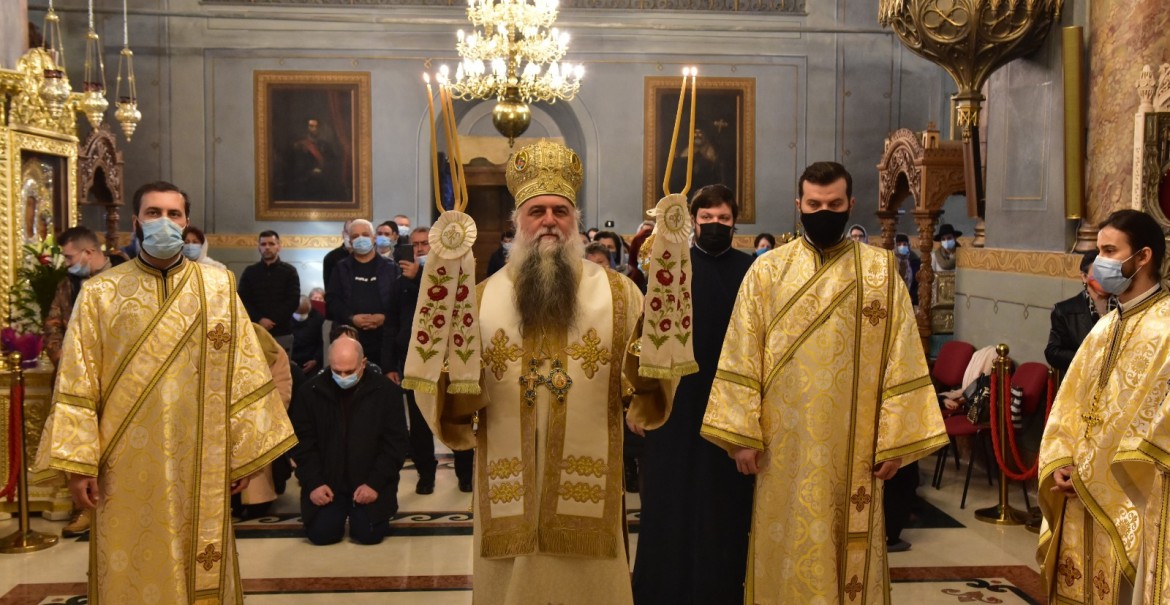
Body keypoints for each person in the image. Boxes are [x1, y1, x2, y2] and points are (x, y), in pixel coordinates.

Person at [409, 140, 670, 604]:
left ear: (575, 222)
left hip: (590, 488)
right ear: (518, 222)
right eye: (537, 211)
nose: (549, 220)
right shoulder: (479, 299)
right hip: (508, 490)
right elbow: (444, 385)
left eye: (560, 211)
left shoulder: (620, 294)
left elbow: (652, 369)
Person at [34, 181, 296, 603]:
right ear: (137, 221)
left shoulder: (218, 286)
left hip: (202, 454)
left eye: (174, 214)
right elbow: (77, 381)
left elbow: (244, 371)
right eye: (153, 213)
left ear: (186, 221)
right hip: (122, 460)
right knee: (131, 560)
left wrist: (242, 452)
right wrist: (79, 463)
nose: (164, 222)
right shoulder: (100, 293)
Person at [701, 162, 947, 603]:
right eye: (814, 204)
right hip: (782, 446)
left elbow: (903, 356)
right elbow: (741, 351)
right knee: (784, 547)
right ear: (799, 205)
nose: (824, 212)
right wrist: (741, 436)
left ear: (851, 204)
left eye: (834, 204)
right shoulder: (767, 271)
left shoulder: (880, 272)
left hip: (856, 445)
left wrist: (894, 440)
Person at [1037, 209, 1170, 605]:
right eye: (1099, 251)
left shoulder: (1166, 327)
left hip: (1135, 495)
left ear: (1143, 257)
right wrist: (1062, 460)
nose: (1099, 262)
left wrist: (1095, 469)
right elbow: (1071, 403)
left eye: (1110, 251)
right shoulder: (1104, 327)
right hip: (1077, 488)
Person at [632, 184, 756, 605]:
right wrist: (642, 399)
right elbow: (646, 337)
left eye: (723, 218)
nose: (715, 225)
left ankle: (720, 588)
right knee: (670, 495)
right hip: (677, 401)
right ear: (694, 222)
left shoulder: (752, 270)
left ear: (734, 222)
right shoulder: (673, 268)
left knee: (723, 501)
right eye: (707, 218)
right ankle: (663, 588)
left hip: (731, 400)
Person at [290, 336, 408, 545]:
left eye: (349, 371)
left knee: (368, 535)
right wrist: (314, 483)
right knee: (321, 535)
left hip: (369, 480)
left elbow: (395, 445)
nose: (343, 377)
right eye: (337, 371)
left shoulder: (386, 392)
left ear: (363, 363)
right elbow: (302, 444)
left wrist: (374, 484)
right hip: (327, 481)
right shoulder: (310, 392)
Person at [43, 226, 121, 538]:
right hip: (76, 377)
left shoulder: (123, 278)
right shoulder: (67, 285)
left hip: (115, 378)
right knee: (79, 440)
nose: (66, 263)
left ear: (88, 252)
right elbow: (52, 324)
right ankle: (83, 508)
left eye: (69, 256)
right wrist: (64, 359)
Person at [391, 226, 441, 494]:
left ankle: (465, 471)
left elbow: (440, 300)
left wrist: (419, 277)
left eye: (425, 244)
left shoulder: (446, 275)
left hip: (442, 359)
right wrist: (389, 364)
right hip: (412, 360)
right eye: (416, 244)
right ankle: (426, 473)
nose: (420, 249)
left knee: (451, 416)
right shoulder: (399, 283)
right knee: (419, 422)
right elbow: (392, 324)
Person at [235, 323, 295, 519]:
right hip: (223, 420)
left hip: (261, 418)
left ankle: (259, 497)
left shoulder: (271, 349)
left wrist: (260, 415)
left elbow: (282, 390)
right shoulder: (216, 342)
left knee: (257, 503)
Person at [325, 219, 401, 374]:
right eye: (355, 236)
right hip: (349, 339)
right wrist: (351, 318)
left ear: (374, 238)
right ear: (350, 241)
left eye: (365, 234)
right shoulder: (340, 268)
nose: (361, 239)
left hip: (384, 342)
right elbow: (332, 300)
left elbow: (400, 302)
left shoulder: (391, 268)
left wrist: (384, 317)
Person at [1044, 250, 1109, 374]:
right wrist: (1088, 359)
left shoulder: (1123, 305)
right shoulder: (1064, 310)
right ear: (1084, 277)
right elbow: (1053, 352)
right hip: (1081, 378)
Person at [238, 230, 302, 348]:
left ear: (279, 246)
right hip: (255, 331)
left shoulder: (289, 271)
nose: (267, 247)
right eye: (263, 244)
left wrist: (272, 320)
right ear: (259, 247)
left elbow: (293, 300)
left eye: (271, 244)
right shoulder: (250, 272)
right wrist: (259, 319)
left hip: (282, 332)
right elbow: (242, 300)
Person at [284, 118, 344, 201]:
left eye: (316, 126)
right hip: (306, 182)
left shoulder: (325, 144)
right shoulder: (299, 145)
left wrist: (323, 169)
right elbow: (296, 166)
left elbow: (332, 161)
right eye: (311, 126)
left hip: (323, 181)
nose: (314, 129)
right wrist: (311, 171)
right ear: (307, 127)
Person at [291, 295, 326, 375]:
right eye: (298, 313)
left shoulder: (318, 320)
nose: (300, 317)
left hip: (311, 360)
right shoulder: (285, 319)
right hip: (290, 360)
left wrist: (315, 360)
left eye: (303, 314)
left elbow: (322, 343)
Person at [322, 219, 353, 288]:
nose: (351, 237)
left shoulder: (367, 256)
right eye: (348, 232)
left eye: (354, 234)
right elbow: (329, 288)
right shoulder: (331, 258)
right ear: (343, 234)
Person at [894, 233, 921, 306]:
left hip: (912, 299)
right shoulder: (891, 260)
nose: (902, 246)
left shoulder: (915, 261)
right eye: (899, 244)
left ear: (908, 246)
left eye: (904, 244)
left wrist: (912, 296)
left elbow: (917, 282)